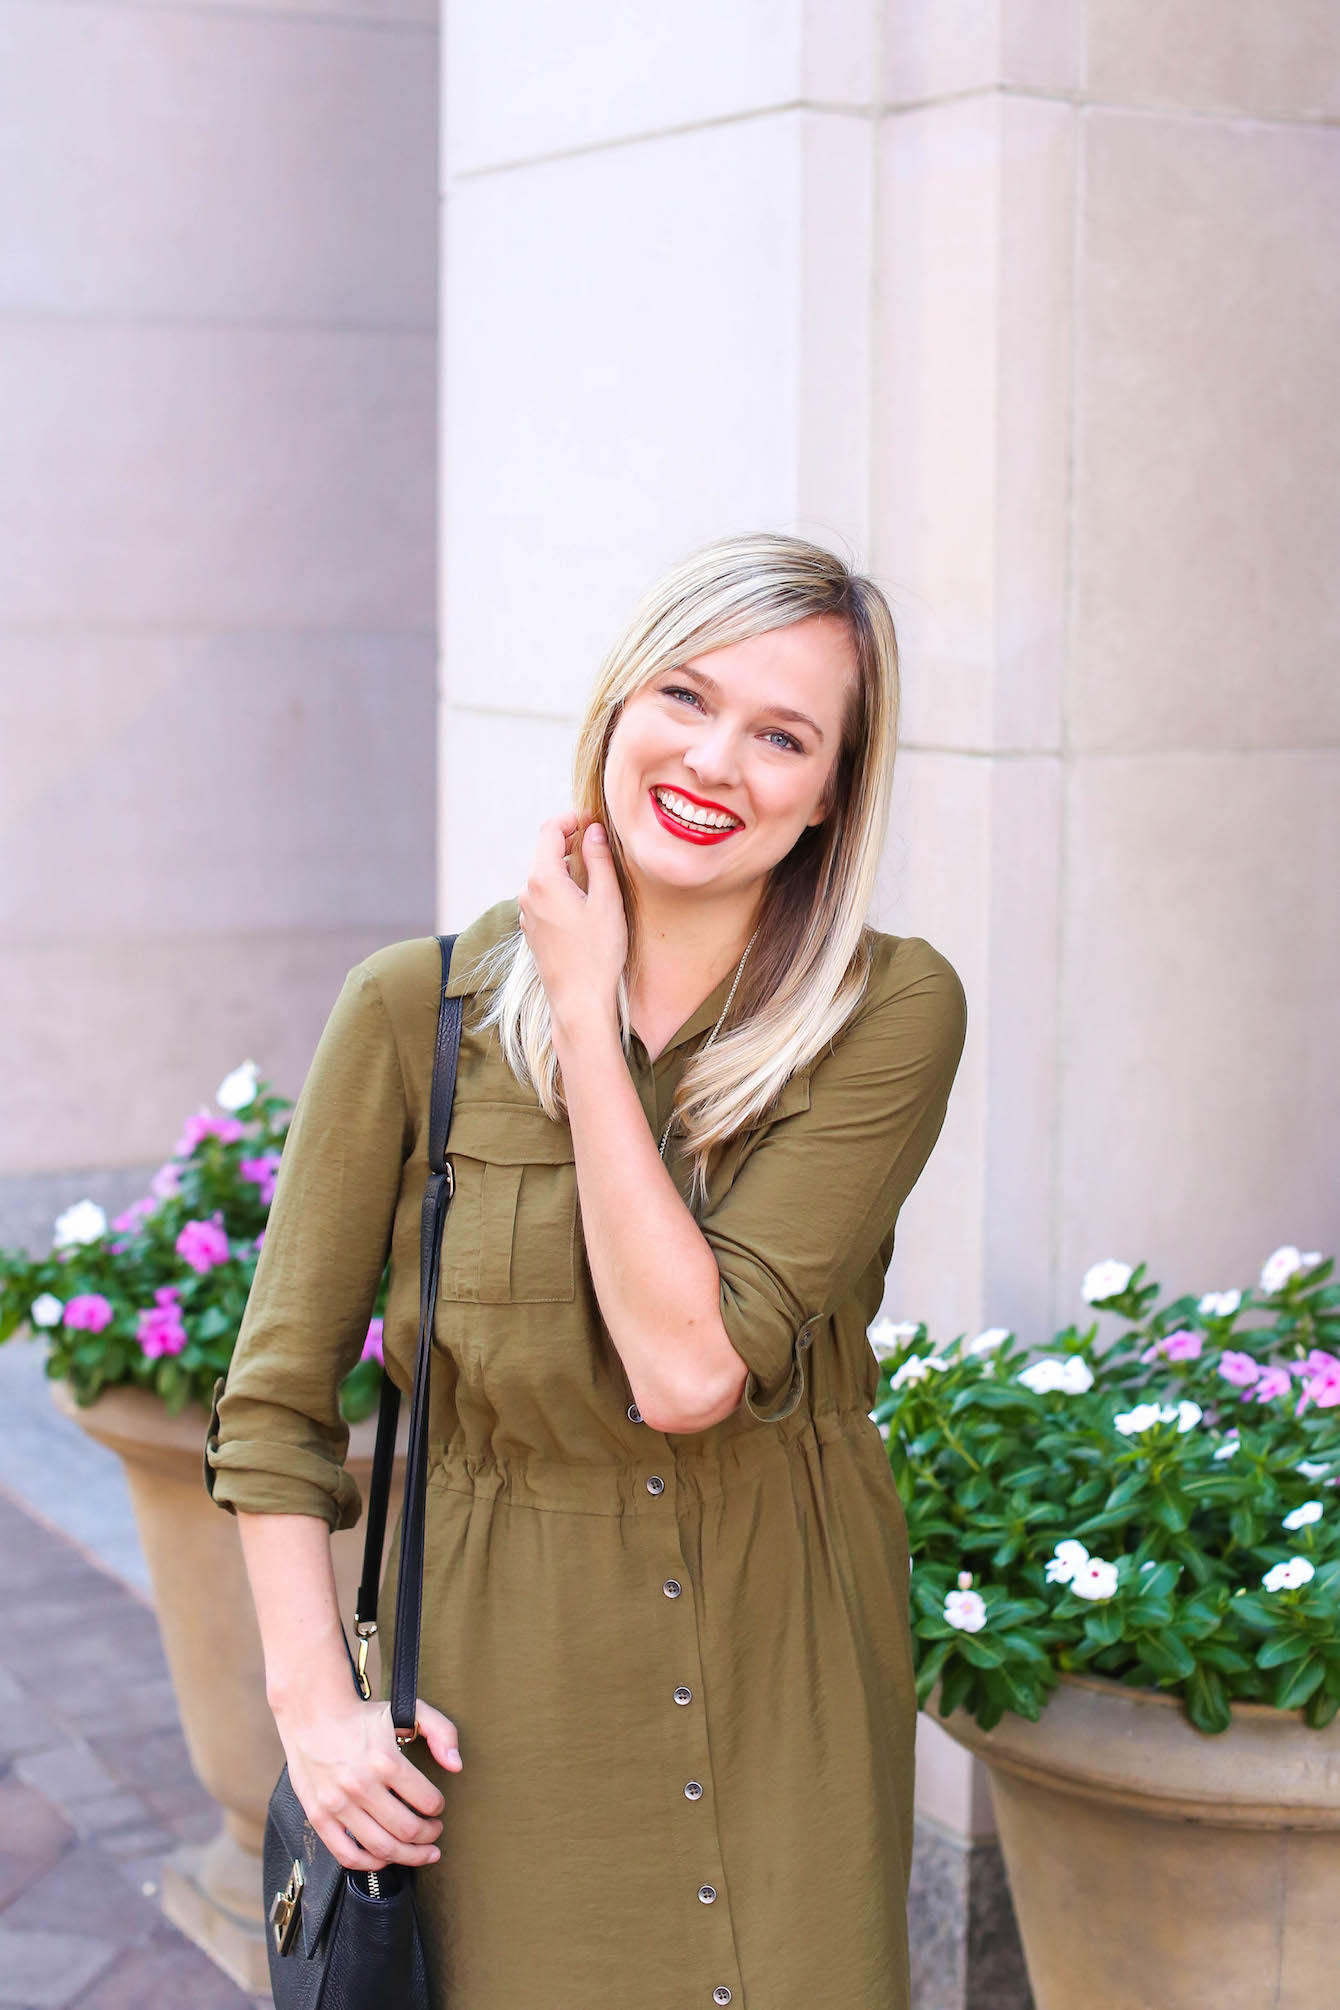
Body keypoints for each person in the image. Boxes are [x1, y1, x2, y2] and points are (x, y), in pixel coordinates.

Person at [205, 531, 968, 2010]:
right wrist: (316, 1711)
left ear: (828, 794)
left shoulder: (890, 1011)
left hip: (786, 1665)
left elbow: (690, 1369)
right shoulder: (410, 1012)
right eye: (685, 696)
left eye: (783, 734)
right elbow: (274, 1405)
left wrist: (582, 1003)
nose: (716, 759)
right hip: (503, 1698)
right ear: (619, 706)